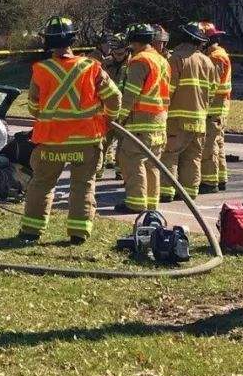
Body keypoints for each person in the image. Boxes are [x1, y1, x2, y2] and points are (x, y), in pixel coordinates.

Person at [18, 16, 120, 244]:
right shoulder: (92, 67)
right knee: (82, 185)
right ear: (73, 40)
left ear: (49, 42)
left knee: (42, 184)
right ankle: (78, 233)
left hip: (51, 142)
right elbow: (114, 97)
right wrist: (108, 120)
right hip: (85, 141)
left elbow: (34, 106)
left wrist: (48, 116)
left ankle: (30, 232)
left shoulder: (41, 70)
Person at [112, 24, 170, 212]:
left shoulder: (139, 61)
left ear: (133, 40)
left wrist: (119, 118)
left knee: (132, 160)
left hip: (140, 121)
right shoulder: (161, 60)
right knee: (152, 163)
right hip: (159, 121)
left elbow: (130, 94)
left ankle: (136, 203)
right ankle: (151, 203)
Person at [160, 22, 217, 201]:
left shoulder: (176, 58)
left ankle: (166, 192)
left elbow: (168, 89)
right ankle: (190, 191)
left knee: (170, 154)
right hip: (199, 118)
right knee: (193, 156)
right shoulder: (207, 61)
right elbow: (212, 91)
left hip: (177, 117)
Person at [199, 21, 232, 193]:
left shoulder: (216, 57)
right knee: (218, 142)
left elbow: (212, 84)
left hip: (215, 106)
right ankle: (220, 179)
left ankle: (210, 182)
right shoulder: (217, 54)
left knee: (209, 144)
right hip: (220, 105)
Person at [98, 33, 130, 177]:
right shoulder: (106, 64)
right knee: (103, 142)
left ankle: (121, 171)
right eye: (115, 53)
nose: (118, 56)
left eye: (121, 53)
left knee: (123, 145)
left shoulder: (132, 65)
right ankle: (97, 171)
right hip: (107, 110)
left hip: (124, 110)